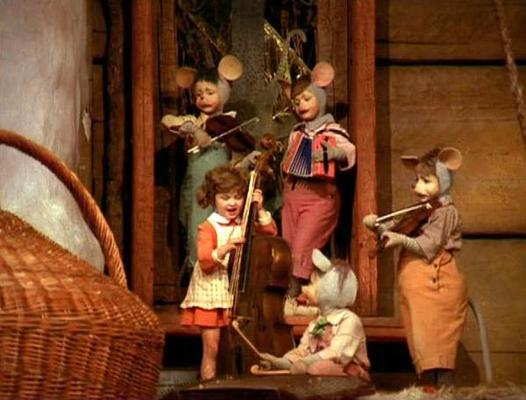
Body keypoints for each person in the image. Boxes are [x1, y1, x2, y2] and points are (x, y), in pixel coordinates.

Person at [363, 147, 468, 386]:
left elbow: (427, 245)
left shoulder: (445, 212)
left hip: (436, 282)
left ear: (443, 182)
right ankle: (430, 387)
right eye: (417, 180)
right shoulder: (422, 211)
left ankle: (443, 389)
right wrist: (377, 226)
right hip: (418, 286)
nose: (419, 187)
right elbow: (395, 230)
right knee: (421, 340)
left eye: (426, 181)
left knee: (436, 338)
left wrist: (399, 239)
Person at [180, 165, 278, 381]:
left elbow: (271, 233)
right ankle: (207, 388)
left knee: (232, 346)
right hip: (211, 292)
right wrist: (225, 248)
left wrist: (260, 209)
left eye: (238, 197)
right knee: (212, 348)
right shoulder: (209, 227)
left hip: (235, 294)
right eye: (225, 198)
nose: (232, 203)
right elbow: (205, 261)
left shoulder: (244, 223)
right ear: (213, 198)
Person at [161, 56, 255, 272]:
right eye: (198, 94)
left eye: (210, 92)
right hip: (196, 188)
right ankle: (197, 268)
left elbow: (237, 161)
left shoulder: (229, 124)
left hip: (221, 190)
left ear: (223, 94)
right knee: (194, 227)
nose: (203, 98)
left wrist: (248, 161)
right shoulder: (194, 121)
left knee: (220, 229)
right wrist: (194, 129)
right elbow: (167, 121)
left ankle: (219, 270)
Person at [281, 62, 356, 317]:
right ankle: (310, 298)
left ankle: (291, 296)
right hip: (294, 194)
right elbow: (289, 162)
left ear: (320, 99)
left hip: (320, 196)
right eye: (296, 102)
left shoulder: (332, 131)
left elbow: (348, 151)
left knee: (303, 247)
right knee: (289, 247)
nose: (301, 105)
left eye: (307, 98)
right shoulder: (296, 133)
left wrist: (334, 153)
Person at [258, 249, 371, 384]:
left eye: (312, 283)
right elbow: (303, 351)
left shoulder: (349, 320)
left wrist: (306, 363)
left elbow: (337, 353)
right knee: (313, 369)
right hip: (318, 372)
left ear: (329, 289)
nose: (305, 288)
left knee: (317, 368)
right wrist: (280, 363)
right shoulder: (319, 322)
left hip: (349, 374)